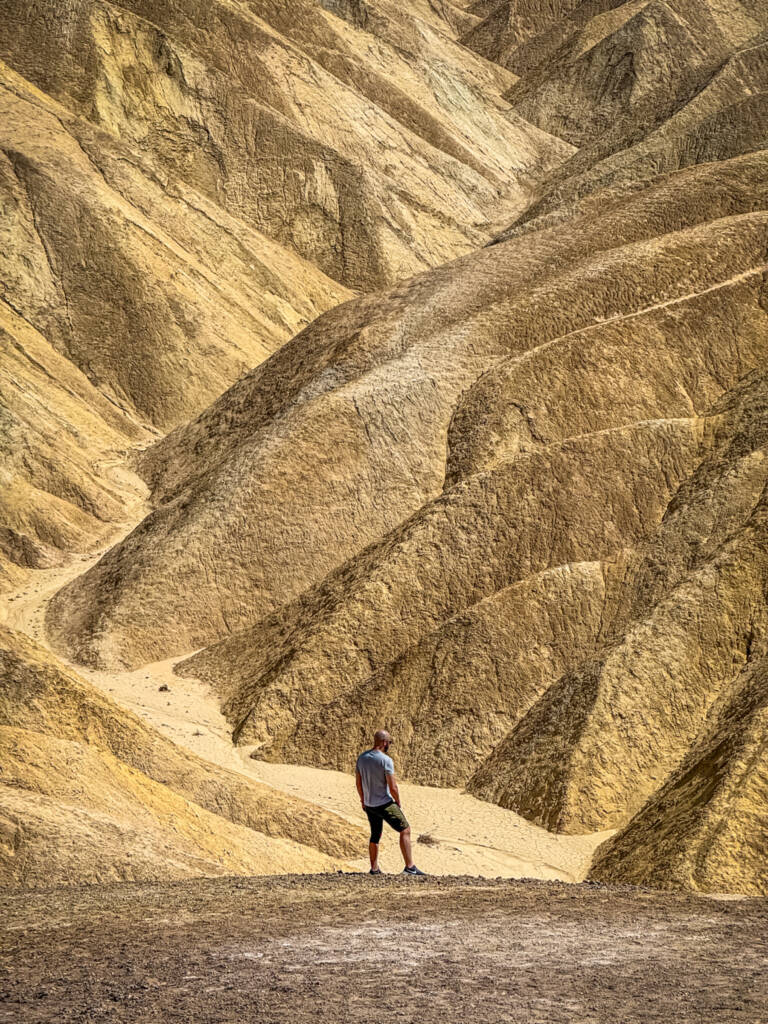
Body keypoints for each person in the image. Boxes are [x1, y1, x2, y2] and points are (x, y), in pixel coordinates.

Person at [355, 729, 425, 876]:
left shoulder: (362, 758)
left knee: (375, 835)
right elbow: (392, 786)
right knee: (405, 830)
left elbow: (358, 783)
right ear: (384, 742)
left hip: (369, 804)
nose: (390, 745)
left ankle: (374, 869)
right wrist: (398, 802)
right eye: (389, 742)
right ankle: (410, 867)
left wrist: (363, 800)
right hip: (384, 803)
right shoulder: (385, 760)